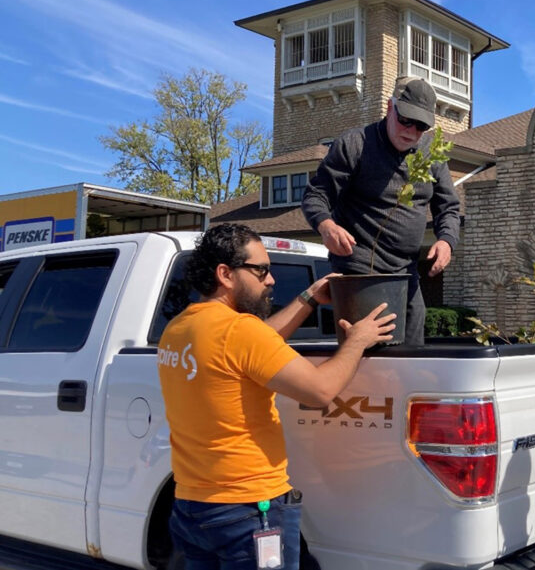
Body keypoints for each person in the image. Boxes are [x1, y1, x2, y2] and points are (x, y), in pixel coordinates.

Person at [158, 223, 396, 569]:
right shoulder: (240, 332)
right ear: (225, 274)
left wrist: (309, 298)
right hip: (247, 510)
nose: (271, 280)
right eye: (261, 270)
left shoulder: (179, 328)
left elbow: (257, 345)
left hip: (192, 509)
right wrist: (357, 341)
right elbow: (319, 391)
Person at [302, 76, 461, 346]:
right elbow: (317, 195)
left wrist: (446, 241)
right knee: (366, 355)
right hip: (358, 272)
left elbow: (448, 207)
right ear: (390, 108)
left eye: (421, 125)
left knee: (412, 355)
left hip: (405, 272)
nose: (411, 130)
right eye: (406, 120)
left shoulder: (431, 156)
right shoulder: (355, 144)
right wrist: (326, 226)